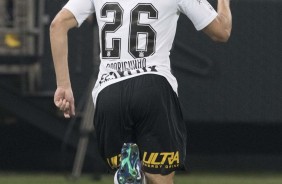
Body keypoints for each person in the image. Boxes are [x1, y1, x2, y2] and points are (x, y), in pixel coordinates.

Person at [50, 0, 232, 183]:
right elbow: (221, 32)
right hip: (153, 88)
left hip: (109, 93)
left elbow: (58, 24)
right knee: (160, 178)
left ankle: (132, 173)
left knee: (130, 168)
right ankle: (137, 175)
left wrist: (63, 85)